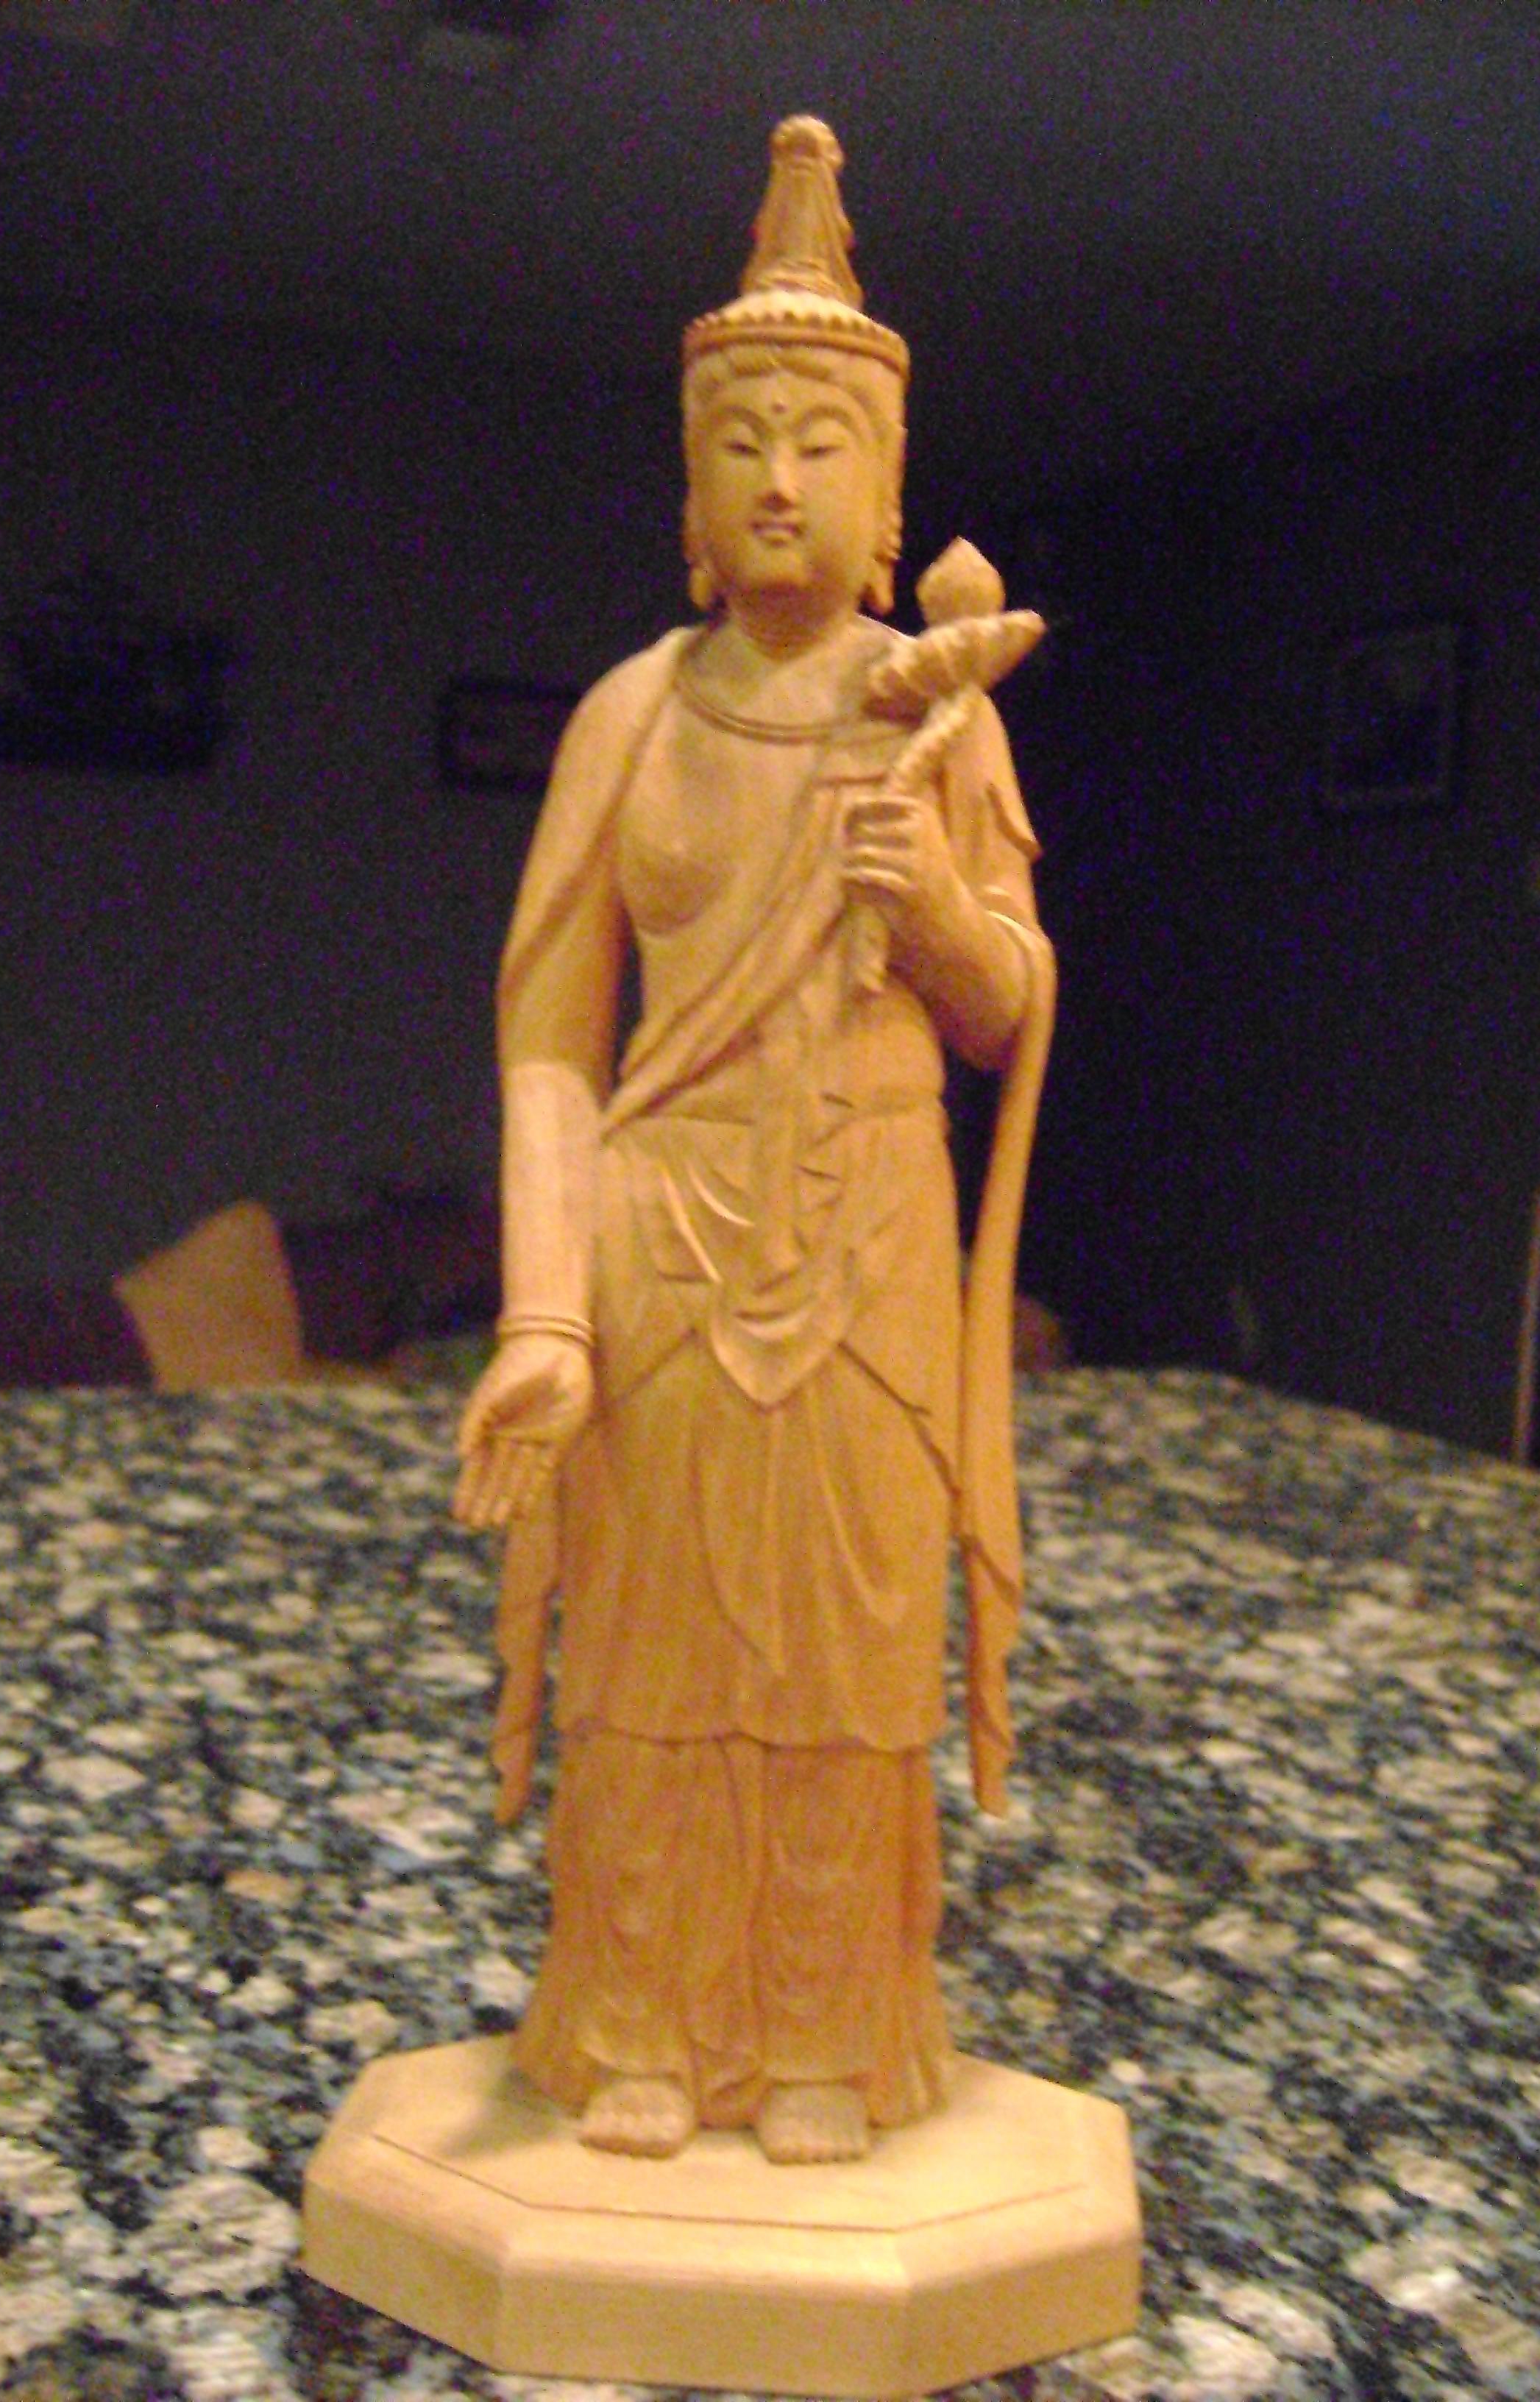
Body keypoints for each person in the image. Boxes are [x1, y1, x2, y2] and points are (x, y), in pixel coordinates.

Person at [453, 117, 1054, 2167]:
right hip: (661, 1234)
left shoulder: (940, 712)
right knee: (653, 1661)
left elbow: (1010, 1007)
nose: (779, 478)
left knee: (847, 1654)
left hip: (866, 1221)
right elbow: (551, 1044)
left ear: (885, 495)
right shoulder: (629, 716)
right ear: (692, 497)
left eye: (820, 442)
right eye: (740, 445)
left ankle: (826, 2034)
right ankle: (640, 2016)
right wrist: (544, 1318)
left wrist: (936, 908)